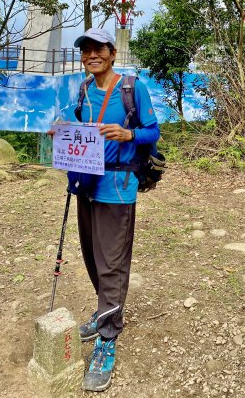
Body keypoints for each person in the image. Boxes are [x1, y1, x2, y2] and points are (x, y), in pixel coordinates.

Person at [70, 28, 160, 392]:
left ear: (111, 51)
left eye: (98, 49)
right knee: (92, 256)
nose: (91, 54)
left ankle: (107, 338)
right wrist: (58, 132)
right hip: (86, 185)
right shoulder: (82, 89)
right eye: (86, 50)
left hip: (118, 189)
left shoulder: (131, 87)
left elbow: (152, 132)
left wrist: (129, 135)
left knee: (112, 262)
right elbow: (76, 127)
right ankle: (105, 310)